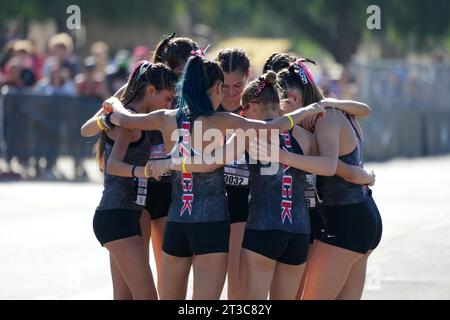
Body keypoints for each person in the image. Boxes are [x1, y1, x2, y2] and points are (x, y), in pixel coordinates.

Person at [102, 53, 325, 299]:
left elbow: (125, 119)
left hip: (177, 222)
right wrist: (305, 112)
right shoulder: (225, 121)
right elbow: (273, 127)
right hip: (212, 223)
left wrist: (114, 102)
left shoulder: (165, 118)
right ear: (217, 88)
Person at [81, 34, 199, 293]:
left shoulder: (192, 92)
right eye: (181, 74)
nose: (182, 83)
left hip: (170, 188)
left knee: (168, 281)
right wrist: (113, 117)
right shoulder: (144, 88)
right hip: (136, 195)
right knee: (133, 287)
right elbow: (88, 128)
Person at [277, 59, 383, 300]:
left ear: (293, 99)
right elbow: (365, 109)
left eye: (278, 107)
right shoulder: (336, 112)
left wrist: (284, 155)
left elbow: (332, 167)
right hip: (361, 215)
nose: (279, 117)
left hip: (347, 220)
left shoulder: (325, 119)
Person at [91, 61, 177, 300]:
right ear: (150, 91)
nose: (169, 105)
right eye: (167, 98)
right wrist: (146, 171)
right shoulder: (128, 121)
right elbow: (113, 166)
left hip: (128, 214)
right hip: (116, 214)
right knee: (147, 296)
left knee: (124, 296)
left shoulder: (137, 118)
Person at [215, 48, 251, 300]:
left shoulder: (257, 109)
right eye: (224, 86)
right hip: (210, 205)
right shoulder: (206, 109)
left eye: (237, 85)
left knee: (238, 287)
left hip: (245, 204)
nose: (230, 93)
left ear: (248, 77)